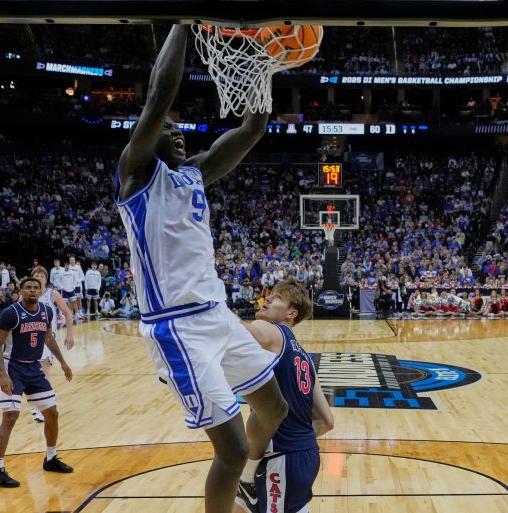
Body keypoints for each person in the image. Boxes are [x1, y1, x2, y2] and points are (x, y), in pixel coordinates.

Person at [114, 25, 287, 513]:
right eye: (169, 129)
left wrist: (261, 64)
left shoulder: (195, 174)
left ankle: (242, 485)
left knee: (275, 408)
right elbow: (157, 97)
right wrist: (185, 21)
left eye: (180, 127)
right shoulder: (135, 176)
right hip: (176, 328)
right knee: (229, 447)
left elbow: (252, 129)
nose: (178, 131)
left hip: (217, 316)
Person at [234, 279, 333, 513]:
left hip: (281, 460)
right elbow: (326, 421)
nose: (267, 298)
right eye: (270, 294)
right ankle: (248, 477)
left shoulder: (275, 331)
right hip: (303, 455)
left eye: (277, 297)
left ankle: (249, 475)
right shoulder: (306, 358)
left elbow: (240, 334)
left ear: (291, 314)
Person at [0, 278, 74, 488]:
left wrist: (62, 362)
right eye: (28, 288)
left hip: (34, 368)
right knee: (10, 417)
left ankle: (51, 458)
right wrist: (2, 374)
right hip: (12, 367)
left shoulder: (46, 311)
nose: (32, 291)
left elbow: (49, 338)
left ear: (40, 290)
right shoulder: (11, 313)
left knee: (51, 413)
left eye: (36, 288)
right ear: (21, 291)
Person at [30, 266, 75, 422]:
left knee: (43, 369)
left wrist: (69, 334)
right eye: (37, 275)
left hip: (47, 338)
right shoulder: (27, 295)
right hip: (29, 338)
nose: (39, 278)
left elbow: (68, 313)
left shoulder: (52, 294)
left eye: (42, 276)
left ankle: (41, 406)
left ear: (46, 279)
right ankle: (42, 403)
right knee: (32, 372)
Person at [69, 256, 85, 320]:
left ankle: (79, 312)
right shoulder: (68, 267)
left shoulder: (78, 267)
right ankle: (71, 312)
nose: (72, 261)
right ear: (69, 261)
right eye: (71, 260)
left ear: (75, 260)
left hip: (77, 286)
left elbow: (82, 276)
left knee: (78, 299)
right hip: (70, 286)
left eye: (73, 260)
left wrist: (78, 280)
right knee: (71, 300)